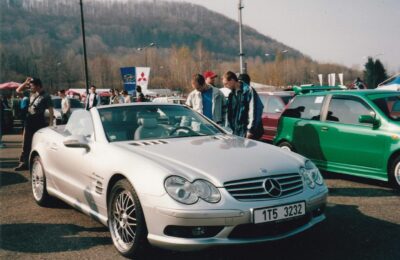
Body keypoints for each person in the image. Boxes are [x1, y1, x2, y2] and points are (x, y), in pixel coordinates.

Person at [15, 77, 54, 171]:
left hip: (39, 122)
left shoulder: (46, 96)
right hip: (29, 121)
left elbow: (51, 110)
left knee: (38, 143)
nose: (30, 87)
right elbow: (18, 90)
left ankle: (38, 163)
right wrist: (25, 82)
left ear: (38, 86)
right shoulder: (31, 93)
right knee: (26, 143)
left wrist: (51, 123)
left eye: (32, 85)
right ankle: (24, 163)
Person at [222, 71, 264, 139]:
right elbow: (229, 114)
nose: (225, 86)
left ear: (232, 80)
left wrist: (250, 130)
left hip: (247, 133)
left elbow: (254, 111)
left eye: (226, 84)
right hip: (236, 133)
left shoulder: (248, 91)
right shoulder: (231, 95)